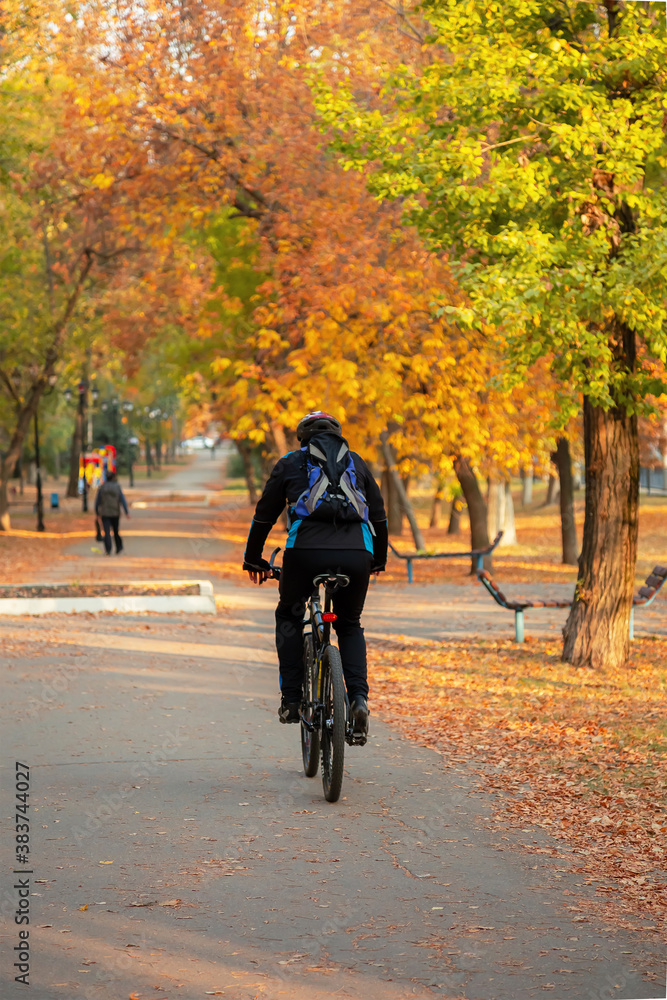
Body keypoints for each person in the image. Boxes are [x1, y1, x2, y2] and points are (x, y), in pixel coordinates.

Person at [243, 411, 388, 735]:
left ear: (302, 437)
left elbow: (264, 516)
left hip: (305, 555)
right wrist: (377, 560)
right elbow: (379, 518)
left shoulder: (291, 463)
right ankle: (358, 700)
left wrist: (254, 559)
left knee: (289, 616)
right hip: (356, 555)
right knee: (349, 625)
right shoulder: (357, 462)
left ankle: (292, 700)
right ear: (338, 435)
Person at [95, 472, 130, 555]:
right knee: (116, 531)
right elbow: (122, 500)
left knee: (106, 532)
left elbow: (97, 501)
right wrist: (126, 512)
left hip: (105, 513)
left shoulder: (102, 488)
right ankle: (119, 547)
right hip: (115, 512)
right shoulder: (117, 487)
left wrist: (97, 512)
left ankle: (108, 550)